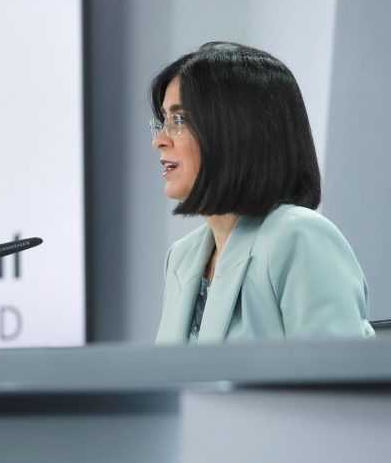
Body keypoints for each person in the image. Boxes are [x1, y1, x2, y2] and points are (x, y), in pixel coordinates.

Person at [150, 42, 374, 343]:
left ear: (235, 130)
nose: (159, 141)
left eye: (178, 120)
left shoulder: (299, 237)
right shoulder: (182, 257)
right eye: (163, 121)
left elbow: (335, 384)